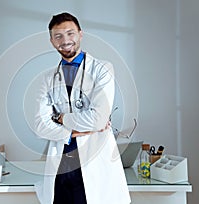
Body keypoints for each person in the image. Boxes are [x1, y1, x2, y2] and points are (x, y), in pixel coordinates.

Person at [34, 12, 131, 204]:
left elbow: (98, 119)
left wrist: (60, 119)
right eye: (58, 36)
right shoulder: (47, 79)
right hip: (61, 167)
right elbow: (39, 126)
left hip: (94, 164)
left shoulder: (102, 69)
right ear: (52, 41)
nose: (65, 40)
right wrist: (73, 134)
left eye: (70, 33)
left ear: (80, 34)